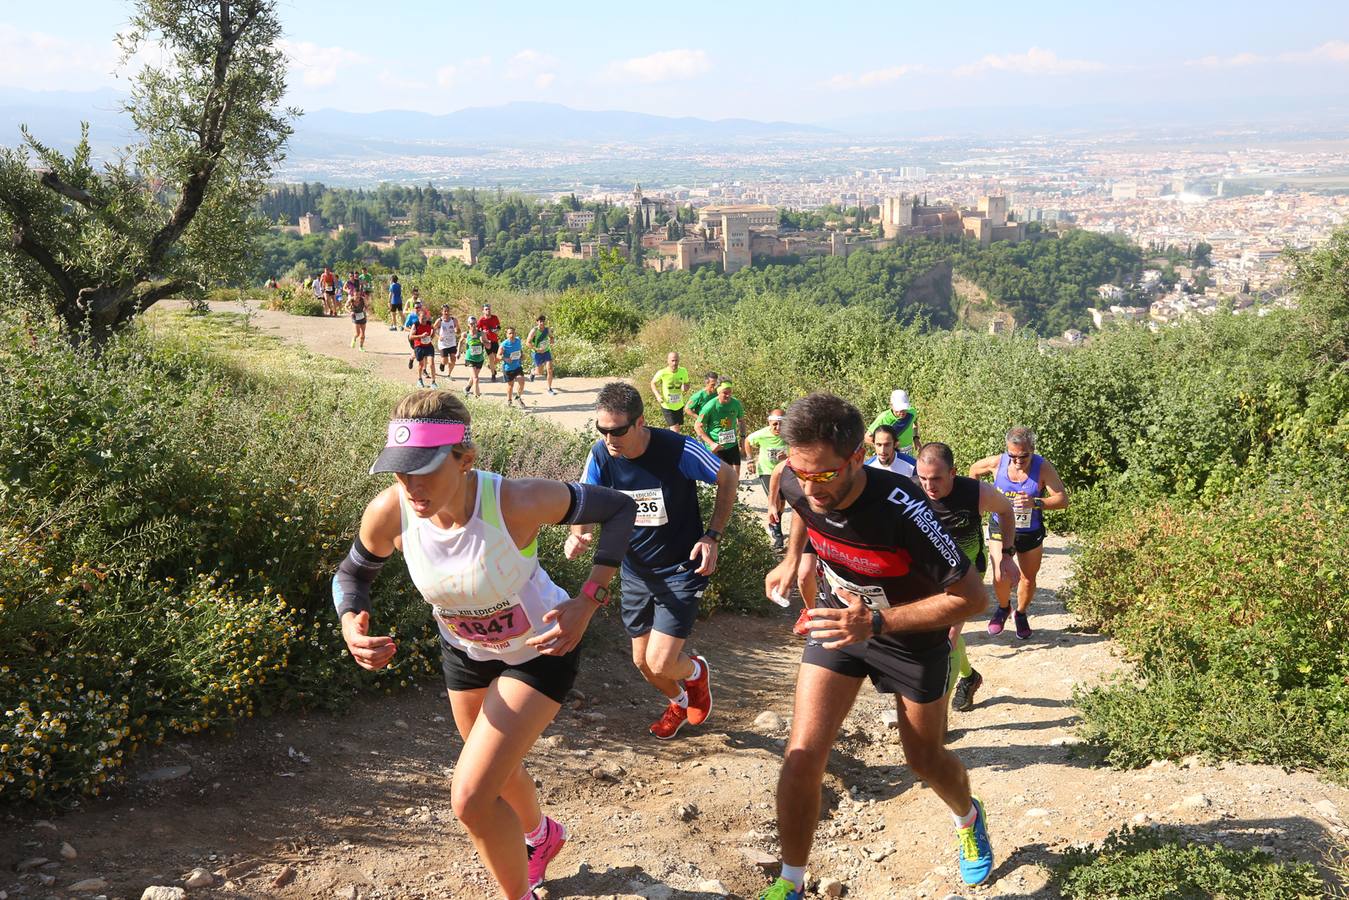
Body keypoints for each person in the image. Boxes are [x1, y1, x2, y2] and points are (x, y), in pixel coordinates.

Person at [333, 390, 638, 900]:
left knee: (472, 799)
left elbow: (620, 508)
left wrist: (589, 599)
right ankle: (542, 836)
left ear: (465, 459)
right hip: (465, 653)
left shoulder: (514, 501)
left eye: (424, 470)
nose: (411, 486)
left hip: (541, 650)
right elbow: (351, 576)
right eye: (400, 471)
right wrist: (350, 624)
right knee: (498, 769)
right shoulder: (390, 512)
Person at [760, 393, 994, 898]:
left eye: (824, 474)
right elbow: (803, 508)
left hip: (912, 640)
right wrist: (792, 557)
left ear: (858, 457)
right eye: (801, 471)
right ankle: (790, 882)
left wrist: (880, 622)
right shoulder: (796, 479)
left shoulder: (904, 509)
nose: (811, 487)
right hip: (840, 626)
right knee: (801, 755)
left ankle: (968, 817)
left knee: (924, 759)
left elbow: (974, 599)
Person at [565, 382, 737, 740]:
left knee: (661, 661)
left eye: (617, 430)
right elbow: (585, 497)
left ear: (640, 422)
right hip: (636, 570)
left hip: (681, 568)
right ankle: (679, 702)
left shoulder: (677, 449)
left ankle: (696, 673)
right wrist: (579, 533)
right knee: (643, 662)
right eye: (602, 430)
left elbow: (728, 476)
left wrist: (713, 536)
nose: (609, 439)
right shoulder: (601, 454)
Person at [914, 443, 1020, 713]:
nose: (928, 486)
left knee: (948, 637)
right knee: (931, 636)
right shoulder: (910, 491)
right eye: (923, 477)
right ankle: (969, 677)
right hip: (929, 574)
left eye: (936, 478)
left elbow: (1006, 510)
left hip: (967, 573)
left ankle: (938, 716)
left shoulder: (975, 492)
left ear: (953, 472)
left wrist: (1007, 554)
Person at [968, 427, 1069, 640]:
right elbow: (974, 470)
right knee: (1000, 574)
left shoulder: (1043, 467)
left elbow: (1062, 500)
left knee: (1028, 578)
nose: (1017, 461)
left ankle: (1020, 613)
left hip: (1029, 530)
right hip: (1000, 526)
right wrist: (979, 501)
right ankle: (1004, 607)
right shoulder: (997, 463)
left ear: (1032, 450)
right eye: (1012, 456)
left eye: (1023, 456)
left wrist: (1036, 502)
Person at [745, 408, 790, 551]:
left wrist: (788, 457)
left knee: (782, 503)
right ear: (769, 422)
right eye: (775, 424)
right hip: (766, 471)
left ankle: (773, 523)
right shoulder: (762, 434)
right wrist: (750, 460)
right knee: (775, 501)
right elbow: (747, 441)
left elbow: (799, 449)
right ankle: (778, 536)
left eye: (781, 424)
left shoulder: (789, 434)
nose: (778, 427)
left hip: (784, 470)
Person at [693, 380, 747, 475]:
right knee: (721, 478)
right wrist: (711, 443)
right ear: (718, 393)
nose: (728, 395)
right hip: (716, 447)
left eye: (730, 392)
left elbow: (741, 421)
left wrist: (743, 438)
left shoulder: (736, 403)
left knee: (735, 476)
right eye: (725, 393)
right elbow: (697, 427)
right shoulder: (710, 406)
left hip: (732, 444)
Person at [866, 389, 920, 456]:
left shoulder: (912, 412)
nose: (901, 412)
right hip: (890, 455)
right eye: (898, 409)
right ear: (891, 405)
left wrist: (916, 438)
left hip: (908, 454)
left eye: (904, 408)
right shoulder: (883, 418)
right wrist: (885, 447)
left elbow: (915, 423)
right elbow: (867, 437)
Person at [650, 352, 692, 432]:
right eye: (672, 361)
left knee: (677, 428)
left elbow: (687, 383)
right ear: (668, 361)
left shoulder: (683, 371)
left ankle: (667, 438)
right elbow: (652, 383)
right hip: (667, 405)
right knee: (675, 430)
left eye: (676, 360)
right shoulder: (662, 372)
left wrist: (685, 387)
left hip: (679, 404)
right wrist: (657, 395)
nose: (674, 363)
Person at [526, 315, 557, 396]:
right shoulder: (534, 331)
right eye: (540, 321)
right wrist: (537, 349)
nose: (542, 323)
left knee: (550, 369)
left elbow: (551, 337)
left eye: (543, 321)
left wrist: (552, 340)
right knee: (539, 372)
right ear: (537, 322)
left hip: (546, 351)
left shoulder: (547, 330)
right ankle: (533, 372)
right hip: (537, 353)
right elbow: (527, 343)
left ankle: (549, 388)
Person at [411, 305, 438, 389]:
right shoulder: (416, 325)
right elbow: (411, 337)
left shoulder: (429, 323)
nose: (424, 320)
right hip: (419, 346)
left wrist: (431, 337)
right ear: (419, 317)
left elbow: (434, 329)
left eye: (425, 318)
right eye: (422, 318)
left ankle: (433, 382)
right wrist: (421, 336)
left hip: (428, 346)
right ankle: (419, 380)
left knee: (431, 363)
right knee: (421, 364)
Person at [460, 317, 486, 398]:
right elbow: (460, 342)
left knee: (473, 377)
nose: (473, 325)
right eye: (471, 324)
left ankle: (466, 388)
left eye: (475, 323)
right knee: (476, 378)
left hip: (480, 359)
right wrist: (458, 352)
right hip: (470, 358)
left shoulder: (481, 334)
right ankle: (476, 396)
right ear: (468, 324)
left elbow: (488, 346)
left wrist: (483, 341)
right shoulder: (465, 334)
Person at [501, 326, 527, 409]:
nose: (512, 335)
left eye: (513, 333)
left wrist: (522, 355)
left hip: (517, 366)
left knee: (522, 381)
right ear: (507, 335)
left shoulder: (518, 340)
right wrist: (505, 359)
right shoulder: (504, 344)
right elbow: (498, 355)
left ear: (515, 334)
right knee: (510, 385)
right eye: (510, 333)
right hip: (508, 368)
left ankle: (518, 397)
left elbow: (520, 350)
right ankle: (509, 401)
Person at [479, 303, 502, 382]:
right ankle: (493, 375)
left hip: (495, 340)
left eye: (489, 309)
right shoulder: (481, 320)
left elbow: (499, 327)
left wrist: (496, 330)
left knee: (498, 358)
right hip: (487, 342)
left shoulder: (495, 317)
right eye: (486, 309)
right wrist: (482, 333)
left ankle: (491, 366)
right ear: (483, 311)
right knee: (491, 358)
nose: (488, 310)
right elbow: (477, 329)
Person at [437, 306, 459, 380]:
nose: (446, 313)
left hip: (452, 343)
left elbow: (458, 330)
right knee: (445, 361)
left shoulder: (454, 320)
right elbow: (433, 329)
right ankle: (442, 363)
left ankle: (449, 374)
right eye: (445, 311)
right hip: (443, 343)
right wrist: (438, 336)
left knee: (453, 360)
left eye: (447, 311)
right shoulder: (440, 321)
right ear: (442, 312)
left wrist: (457, 330)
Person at [405, 301, 424, 370]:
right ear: (414, 308)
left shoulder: (424, 316)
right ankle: (411, 359)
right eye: (416, 307)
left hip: (422, 337)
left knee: (422, 352)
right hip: (413, 337)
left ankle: (424, 369)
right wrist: (412, 331)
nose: (418, 309)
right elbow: (405, 327)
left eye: (419, 307)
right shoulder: (411, 316)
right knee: (417, 351)